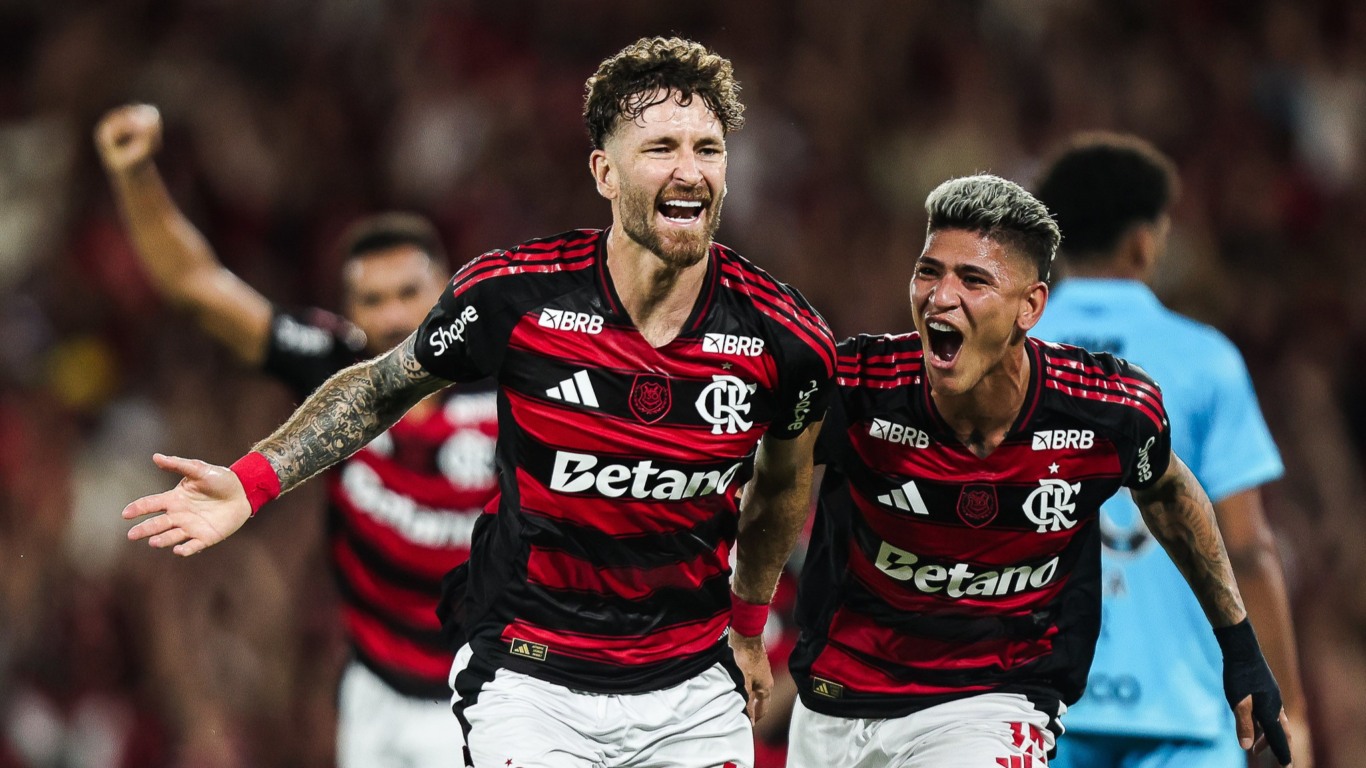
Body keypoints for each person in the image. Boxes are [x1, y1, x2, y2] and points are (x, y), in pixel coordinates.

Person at [120, 36, 836, 768]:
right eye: (661, 148)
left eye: (708, 148)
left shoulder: (788, 339)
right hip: (531, 680)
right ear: (604, 172)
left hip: (689, 686)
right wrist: (252, 481)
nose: (690, 170)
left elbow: (783, 483)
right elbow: (378, 385)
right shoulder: (514, 298)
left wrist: (750, 623)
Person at [786, 174, 1293, 767]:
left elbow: (1172, 497)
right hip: (835, 702)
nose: (941, 296)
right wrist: (742, 618)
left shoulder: (1108, 410)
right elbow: (760, 473)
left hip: (990, 704)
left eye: (973, 279)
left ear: (1030, 306)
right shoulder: (856, 387)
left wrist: (1241, 650)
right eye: (929, 271)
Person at [95, 105, 500, 768]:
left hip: (487, 694)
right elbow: (197, 287)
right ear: (350, 311)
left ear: (449, 291)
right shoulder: (333, 367)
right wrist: (135, 172)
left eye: (410, 292)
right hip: (371, 692)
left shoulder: (512, 387)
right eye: (373, 300)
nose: (394, 316)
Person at [1031, 132, 1312, 768]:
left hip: (1037, 712)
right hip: (1184, 719)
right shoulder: (1204, 359)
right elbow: (1248, 548)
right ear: (1143, 241)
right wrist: (1290, 708)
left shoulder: (1005, 355)